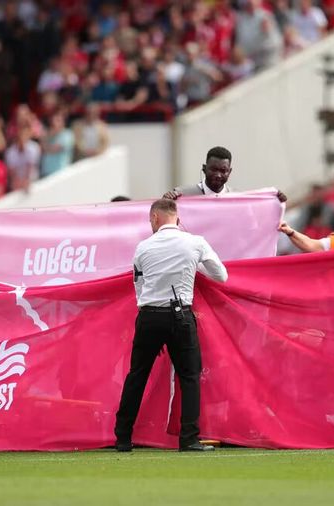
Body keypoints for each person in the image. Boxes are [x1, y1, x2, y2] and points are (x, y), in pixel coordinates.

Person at [115, 198, 228, 452]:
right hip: (181, 314)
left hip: (149, 315)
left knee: (137, 375)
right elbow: (221, 275)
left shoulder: (143, 247)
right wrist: (193, 264)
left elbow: (139, 286)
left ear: (155, 218)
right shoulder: (195, 242)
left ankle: (122, 437)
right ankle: (188, 438)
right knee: (189, 377)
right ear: (176, 217)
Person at [163, 146, 287, 201]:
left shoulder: (239, 197)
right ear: (204, 169)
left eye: (223, 171)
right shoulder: (182, 194)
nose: (218, 175)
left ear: (229, 172)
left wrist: (274, 200)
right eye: (213, 169)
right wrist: (166, 201)